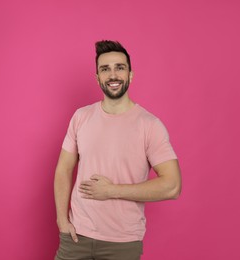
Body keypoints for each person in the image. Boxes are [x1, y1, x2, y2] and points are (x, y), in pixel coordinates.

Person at [54, 40, 182, 260]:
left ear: (130, 75)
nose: (113, 75)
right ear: (97, 78)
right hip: (75, 238)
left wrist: (111, 191)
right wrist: (62, 222)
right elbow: (63, 169)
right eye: (105, 69)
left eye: (119, 67)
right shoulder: (81, 117)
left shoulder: (149, 125)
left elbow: (172, 186)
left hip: (122, 244)